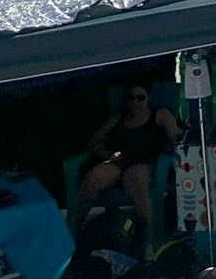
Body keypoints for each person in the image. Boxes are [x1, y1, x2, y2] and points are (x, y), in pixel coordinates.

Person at [75, 83, 180, 237]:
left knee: (135, 178)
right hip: (121, 161)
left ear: (149, 98)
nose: (136, 103)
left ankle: (149, 236)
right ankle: (73, 229)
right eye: (132, 98)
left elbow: (175, 137)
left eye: (140, 98)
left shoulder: (159, 115)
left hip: (145, 162)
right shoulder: (120, 118)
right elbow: (94, 141)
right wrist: (108, 154)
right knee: (95, 176)